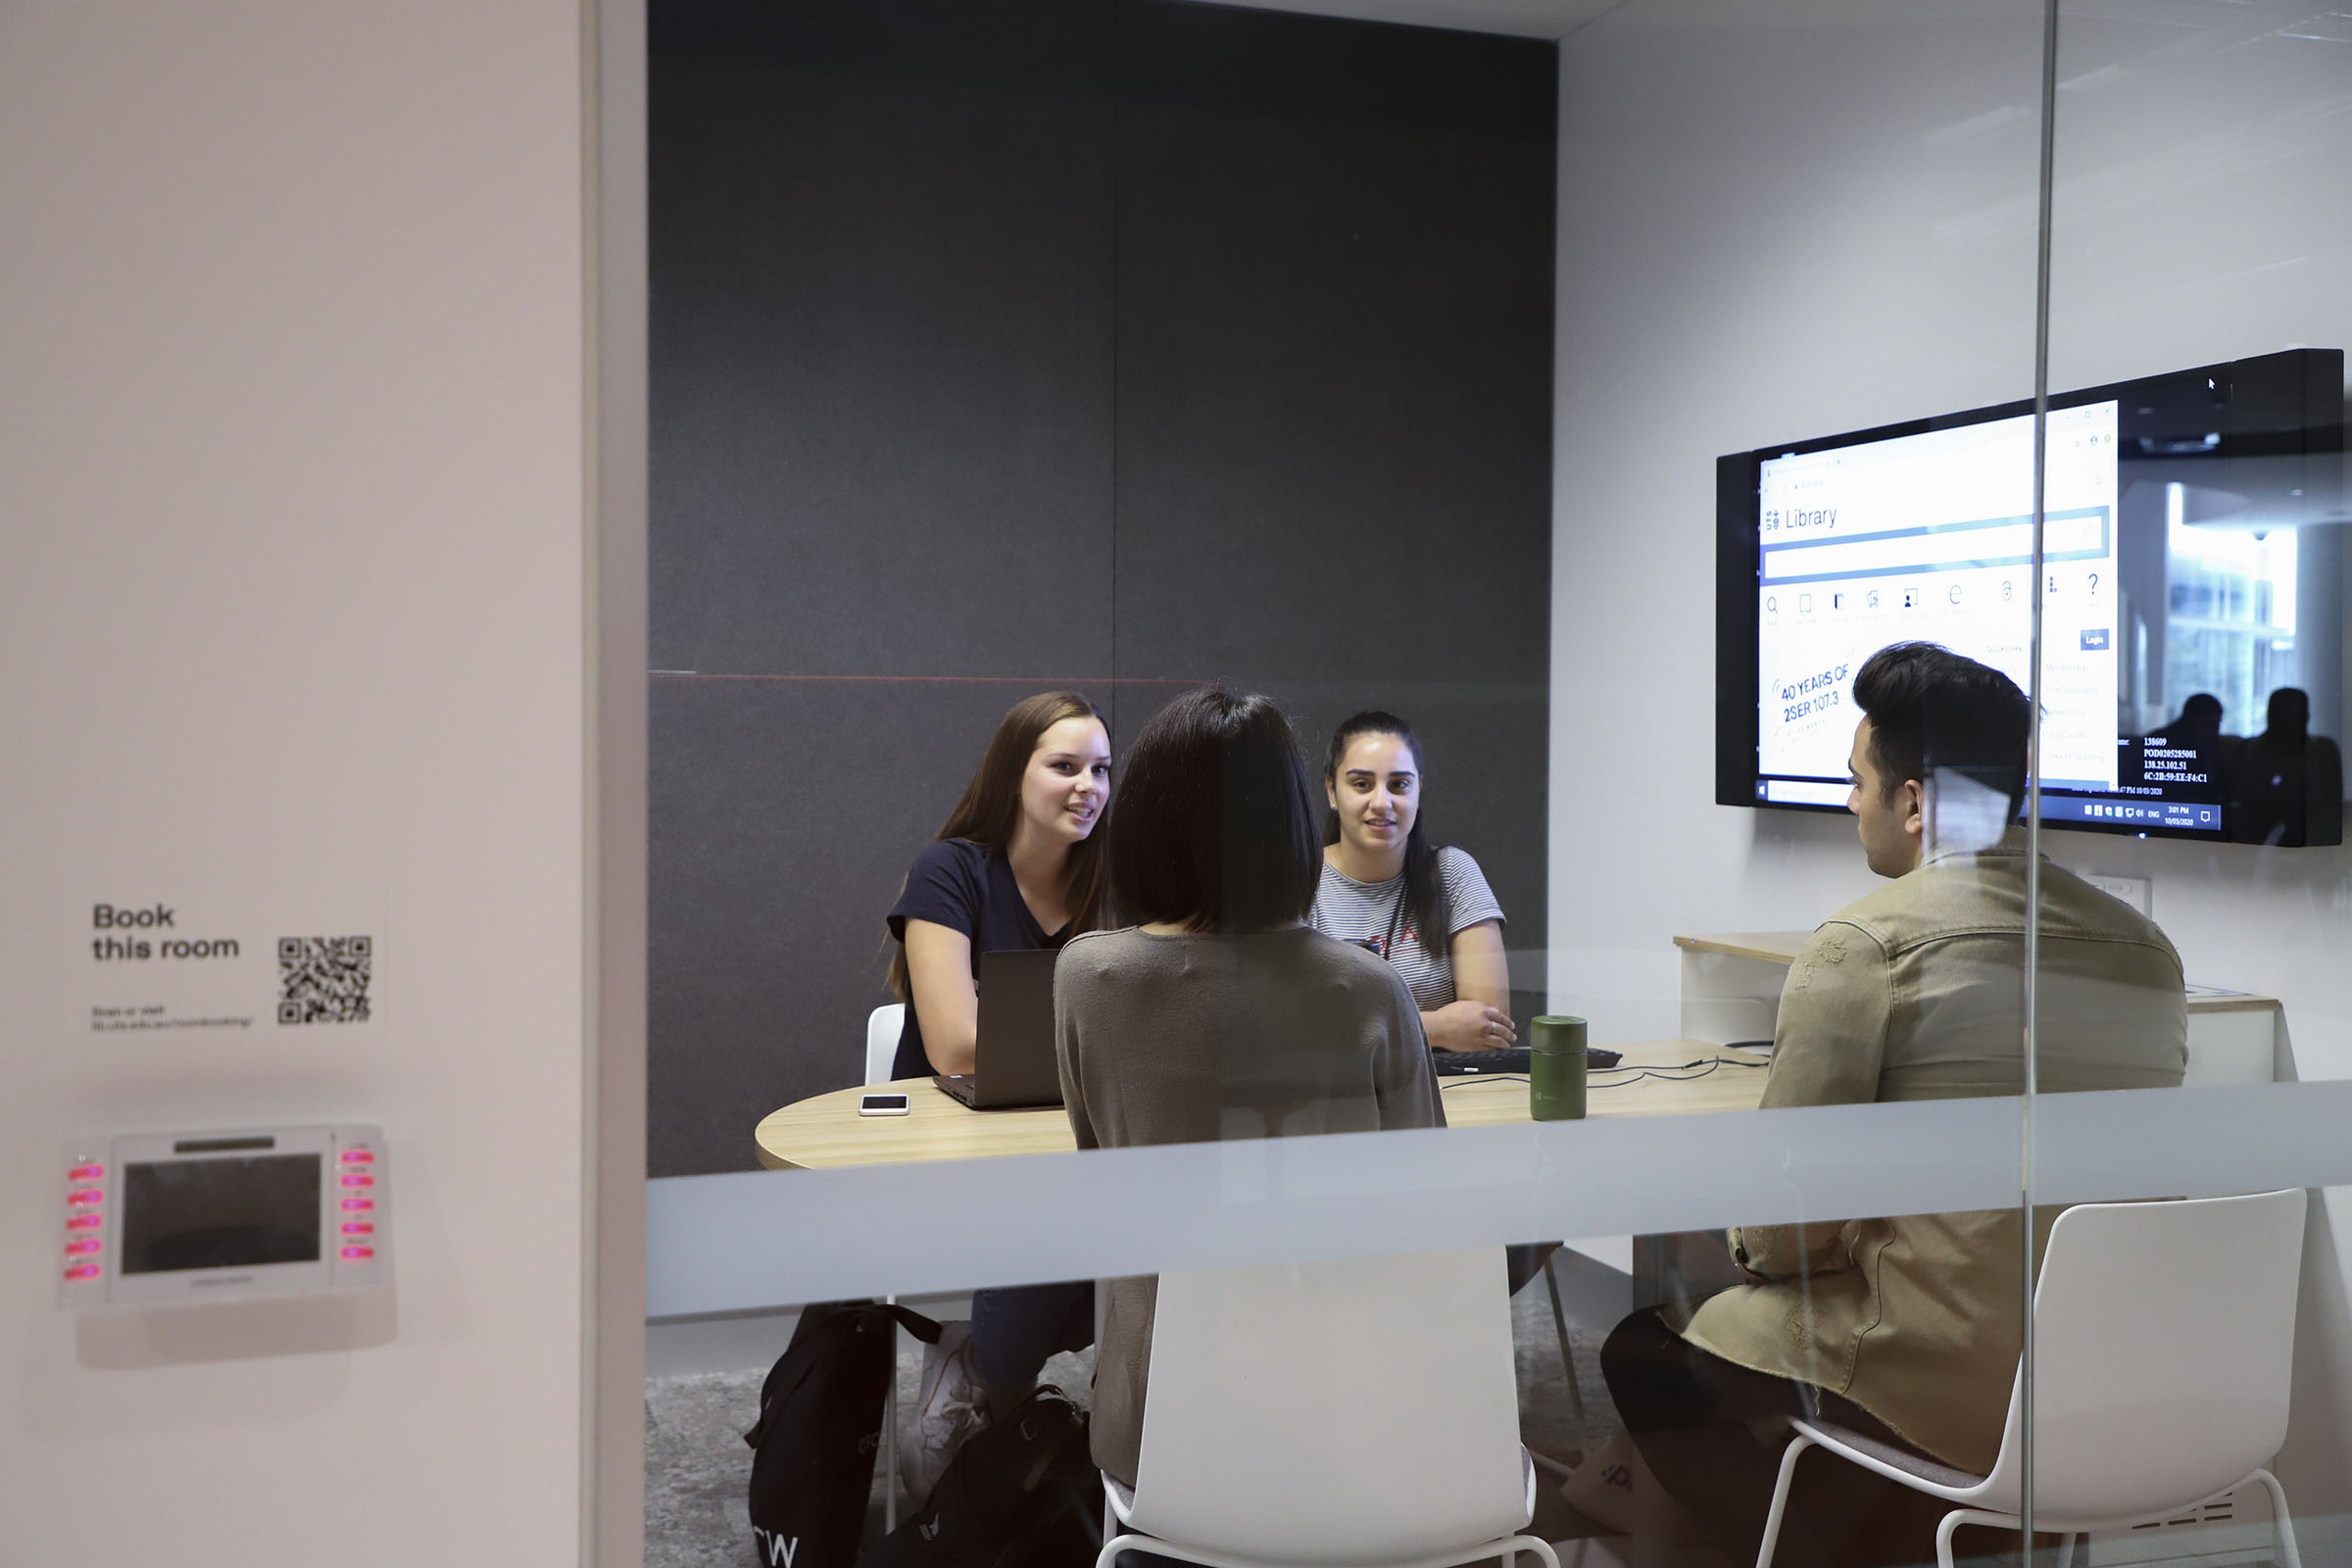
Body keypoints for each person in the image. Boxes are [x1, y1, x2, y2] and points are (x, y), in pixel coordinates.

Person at [1600, 642, 2187, 1568]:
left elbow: (1785, 1233)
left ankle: (1844, 1547)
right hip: (2107, 1380)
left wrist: (1739, 1238)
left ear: (1914, 803)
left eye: (1855, 782)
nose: (1847, 804)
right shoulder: (2150, 952)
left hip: (1941, 1381)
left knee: (1650, 1350)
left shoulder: (1863, 946)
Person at [1055, 686, 1445, 1489]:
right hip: (1354, 1420)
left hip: (1161, 1427)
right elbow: (1430, 1215)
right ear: (1295, 829)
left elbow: (1104, 1172)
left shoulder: (1088, 978)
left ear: (1146, 828)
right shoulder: (1367, 990)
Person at [882, 691, 1111, 1503]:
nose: (1088, 785)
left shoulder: (1111, 885)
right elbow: (956, 1046)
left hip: (1075, 1145)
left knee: (1167, 1232)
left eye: (1100, 769)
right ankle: (1003, 1403)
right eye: (1064, 766)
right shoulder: (948, 870)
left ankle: (992, 1369)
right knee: (1051, 1223)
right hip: (953, 1151)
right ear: (1014, 775)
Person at [1311, 711, 1515, 1053]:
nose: (1381, 802)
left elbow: (1489, 1028)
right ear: (1333, 790)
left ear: (1419, 789)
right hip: (1332, 1099)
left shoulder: (1452, 873)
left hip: (1451, 1096)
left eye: (1399, 784)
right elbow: (1292, 1030)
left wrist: (1353, 1028)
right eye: (1361, 784)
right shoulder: (1299, 882)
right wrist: (1438, 1026)